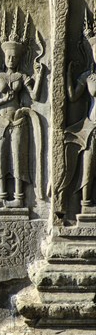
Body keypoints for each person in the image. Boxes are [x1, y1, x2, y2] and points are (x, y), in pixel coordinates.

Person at [0, 11, 44, 208]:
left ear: (18, 58)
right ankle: (1, 195)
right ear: (4, 55)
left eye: (14, 57)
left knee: (18, 157)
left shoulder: (21, 76)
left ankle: (19, 197)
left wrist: (39, 76)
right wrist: (2, 98)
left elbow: (34, 96)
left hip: (18, 120)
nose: (10, 59)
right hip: (0, 120)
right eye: (8, 56)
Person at [59, 14, 96, 214]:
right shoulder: (88, 77)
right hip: (92, 127)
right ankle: (85, 203)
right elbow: (73, 97)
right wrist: (67, 76)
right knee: (88, 163)